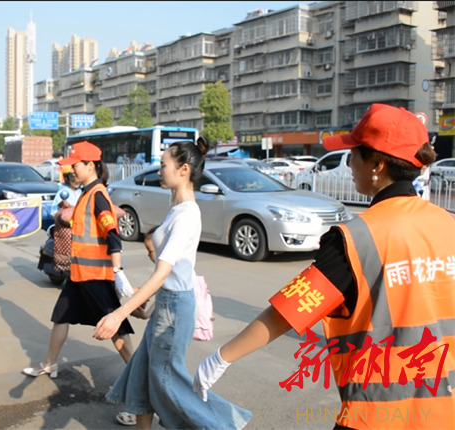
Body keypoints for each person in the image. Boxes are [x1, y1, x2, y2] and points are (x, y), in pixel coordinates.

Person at [193, 103, 455, 430]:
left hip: (380, 413)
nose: (348, 164)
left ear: (378, 164)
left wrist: (221, 358)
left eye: (353, 154)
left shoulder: (356, 238)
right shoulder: (448, 224)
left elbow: (290, 311)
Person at [93, 137, 252, 430]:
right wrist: (150, 305)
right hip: (167, 305)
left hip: (176, 310)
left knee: (169, 384)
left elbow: (164, 273)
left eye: (164, 164)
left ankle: (224, 424)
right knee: (141, 379)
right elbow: (178, 273)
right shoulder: (177, 209)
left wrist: (120, 314)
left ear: (183, 169)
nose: (158, 171)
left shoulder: (188, 215)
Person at [22, 140, 137, 425]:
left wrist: (118, 272)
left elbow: (112, 234)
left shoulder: (97, 195)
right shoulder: (86, 194)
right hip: (79, 275)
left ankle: (139, 390)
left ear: (90, 165)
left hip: (97, 277)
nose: (72, 169)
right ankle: (50, 363)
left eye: (75, 164)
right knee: (61, 316)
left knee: (117, 333)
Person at [50, 165, 82, 273]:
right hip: (66, 225)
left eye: (77, 177)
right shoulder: (62, 192)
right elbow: (54, 211)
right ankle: (64, 263)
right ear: (67, 178)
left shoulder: (82, 192)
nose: (75, 180)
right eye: (72, 177)